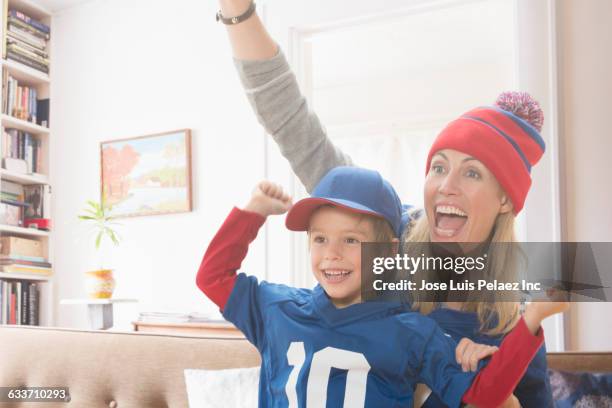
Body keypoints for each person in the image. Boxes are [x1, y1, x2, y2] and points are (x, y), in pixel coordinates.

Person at [215, 1, 555, 406]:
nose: (446, 186)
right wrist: (238, 10)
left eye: (473, 173)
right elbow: (292, 122)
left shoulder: (512, 310)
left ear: (504, 201)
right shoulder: (388, 230)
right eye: (438, 167)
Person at [196, 165, 567, 407]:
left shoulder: (412, 331)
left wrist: (530, 320)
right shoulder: (276, 309)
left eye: (351, 241)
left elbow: (483, 399)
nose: (332, 256)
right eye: (320, 239)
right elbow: (212, 277)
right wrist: (254, 211)